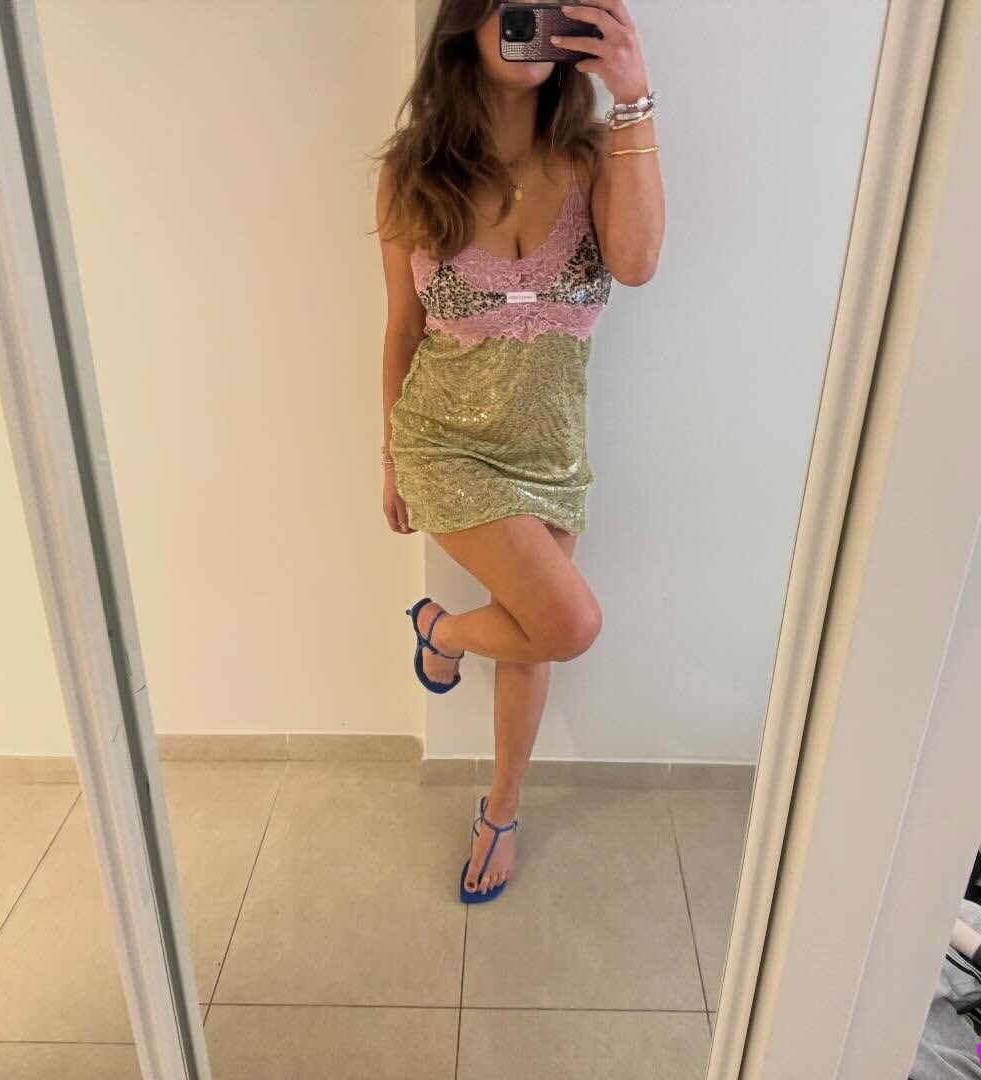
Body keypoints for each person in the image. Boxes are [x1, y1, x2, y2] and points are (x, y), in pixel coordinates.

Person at [377, 0, 664, 903]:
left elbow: (637, 262)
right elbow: (400, 328)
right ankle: (442, 633)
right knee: (567, 623)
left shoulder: (595, 157)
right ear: (468, 21)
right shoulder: (412, 170)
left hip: (551, 451)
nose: (536, 17)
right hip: (444, 444)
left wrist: (634, 97)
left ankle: (499, 807)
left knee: (533, 637)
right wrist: (388, 456)